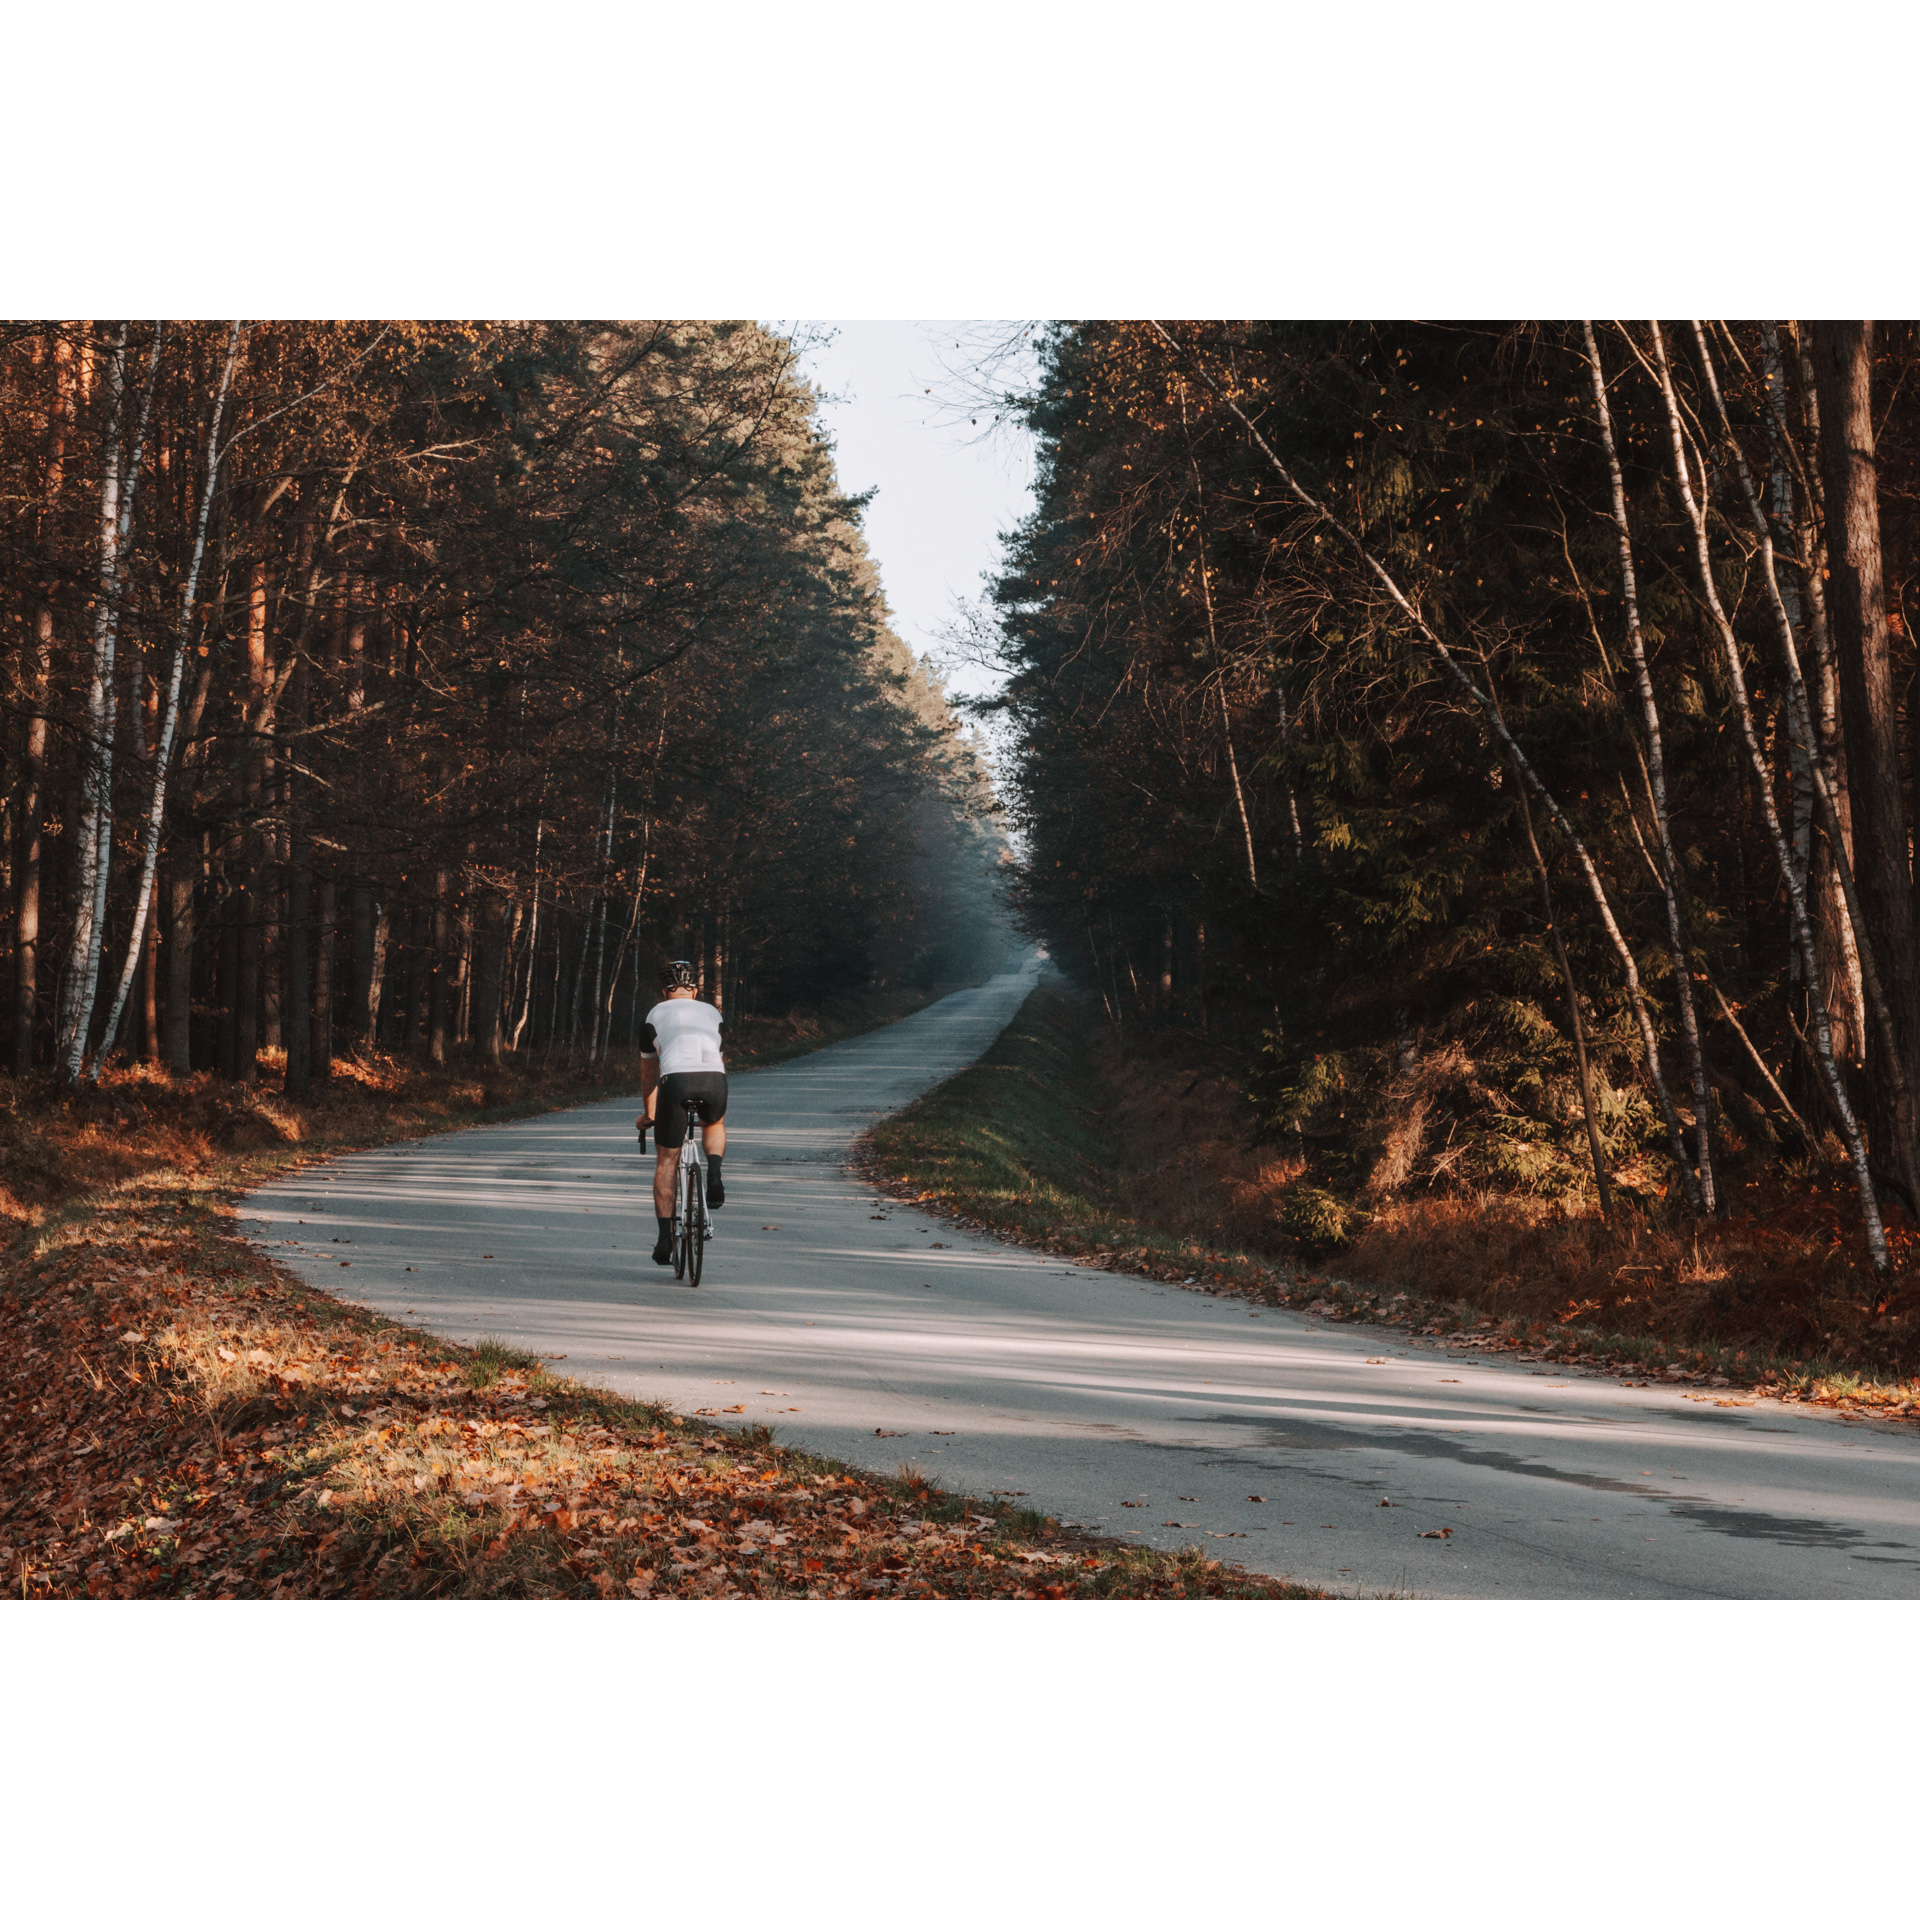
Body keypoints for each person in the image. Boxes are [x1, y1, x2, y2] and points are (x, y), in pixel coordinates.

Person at [637, 957, 727, 1266]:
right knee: (713, 1122)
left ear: (664, 990)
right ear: (696, 989)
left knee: (666, 1159)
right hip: (715, 1079)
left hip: (674, 1080)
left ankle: (665, 1238)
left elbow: (649, 1074)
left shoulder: (653, 1015)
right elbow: (716, 1053)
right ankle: (714, 1174)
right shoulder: (713, 1013)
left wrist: (650, 1114)